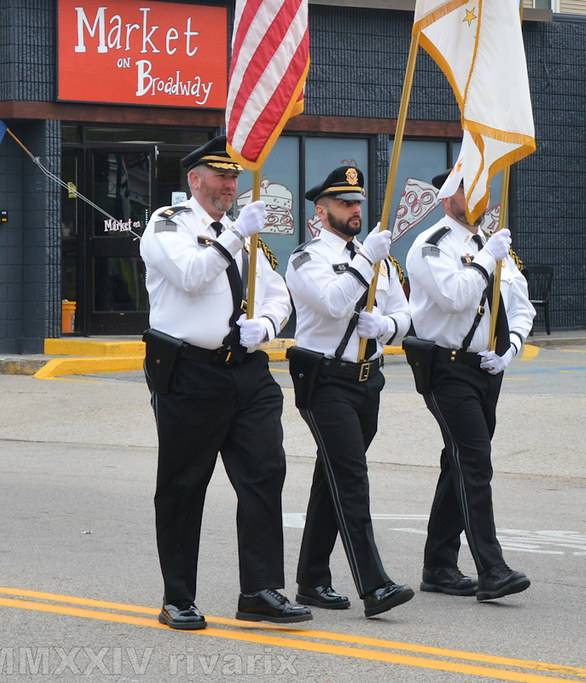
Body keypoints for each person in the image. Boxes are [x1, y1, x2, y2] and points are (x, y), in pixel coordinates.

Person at [139, 136, 311, 630]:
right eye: (221, 177)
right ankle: (178, 597)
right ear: (195, 180)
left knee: (264, 473)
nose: (230, 186)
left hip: (248, 372)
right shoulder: (167, 226)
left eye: (234, 177)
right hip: (191, 373)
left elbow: (278, 294)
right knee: (184, 485)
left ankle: (259, 589)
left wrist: (269, 325)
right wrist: (235, 233)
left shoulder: (244, 232)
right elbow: (192, 275)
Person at [285, 166, 415, 618]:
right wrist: (366, 261)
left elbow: (405, 313)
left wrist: (387, 326)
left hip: (367, 380)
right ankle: (374, 586)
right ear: (322, 212)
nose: (355, 210)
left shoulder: (375, 255)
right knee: (353, 480)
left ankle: (311, 580)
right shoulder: (306, 258)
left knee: (333, 479)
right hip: (325, 381)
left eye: (358, 202)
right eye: (344, 203)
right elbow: (334, 302)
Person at [403, 164, 536, 601]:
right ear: (447, 198)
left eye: (482, 188)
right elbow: (456, 295)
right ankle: (491, 567)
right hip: (446, 368)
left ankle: (438, 565)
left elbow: (522, 307)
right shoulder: (430, 246)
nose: (479, 196)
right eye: (467, 189)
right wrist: (487, 256)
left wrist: (510, 348)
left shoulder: (489, 243)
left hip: (486, 368)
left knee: (458, 462)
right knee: (475, 461)